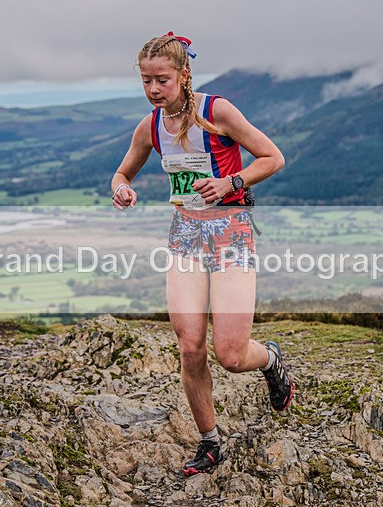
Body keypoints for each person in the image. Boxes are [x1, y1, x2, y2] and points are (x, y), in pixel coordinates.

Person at [110, 32, 293, 477]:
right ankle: (210, 441)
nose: (154, 89)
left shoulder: (217, 112)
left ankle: (269, 359)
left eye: (163, 80)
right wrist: (122, 189)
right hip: (186, 238)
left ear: (184, 76)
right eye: (147, 81)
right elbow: (122, 170)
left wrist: (232, 183)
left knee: (230, 355)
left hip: (231, 234)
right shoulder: (150, 126)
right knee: (190, 347)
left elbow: (273, 158)